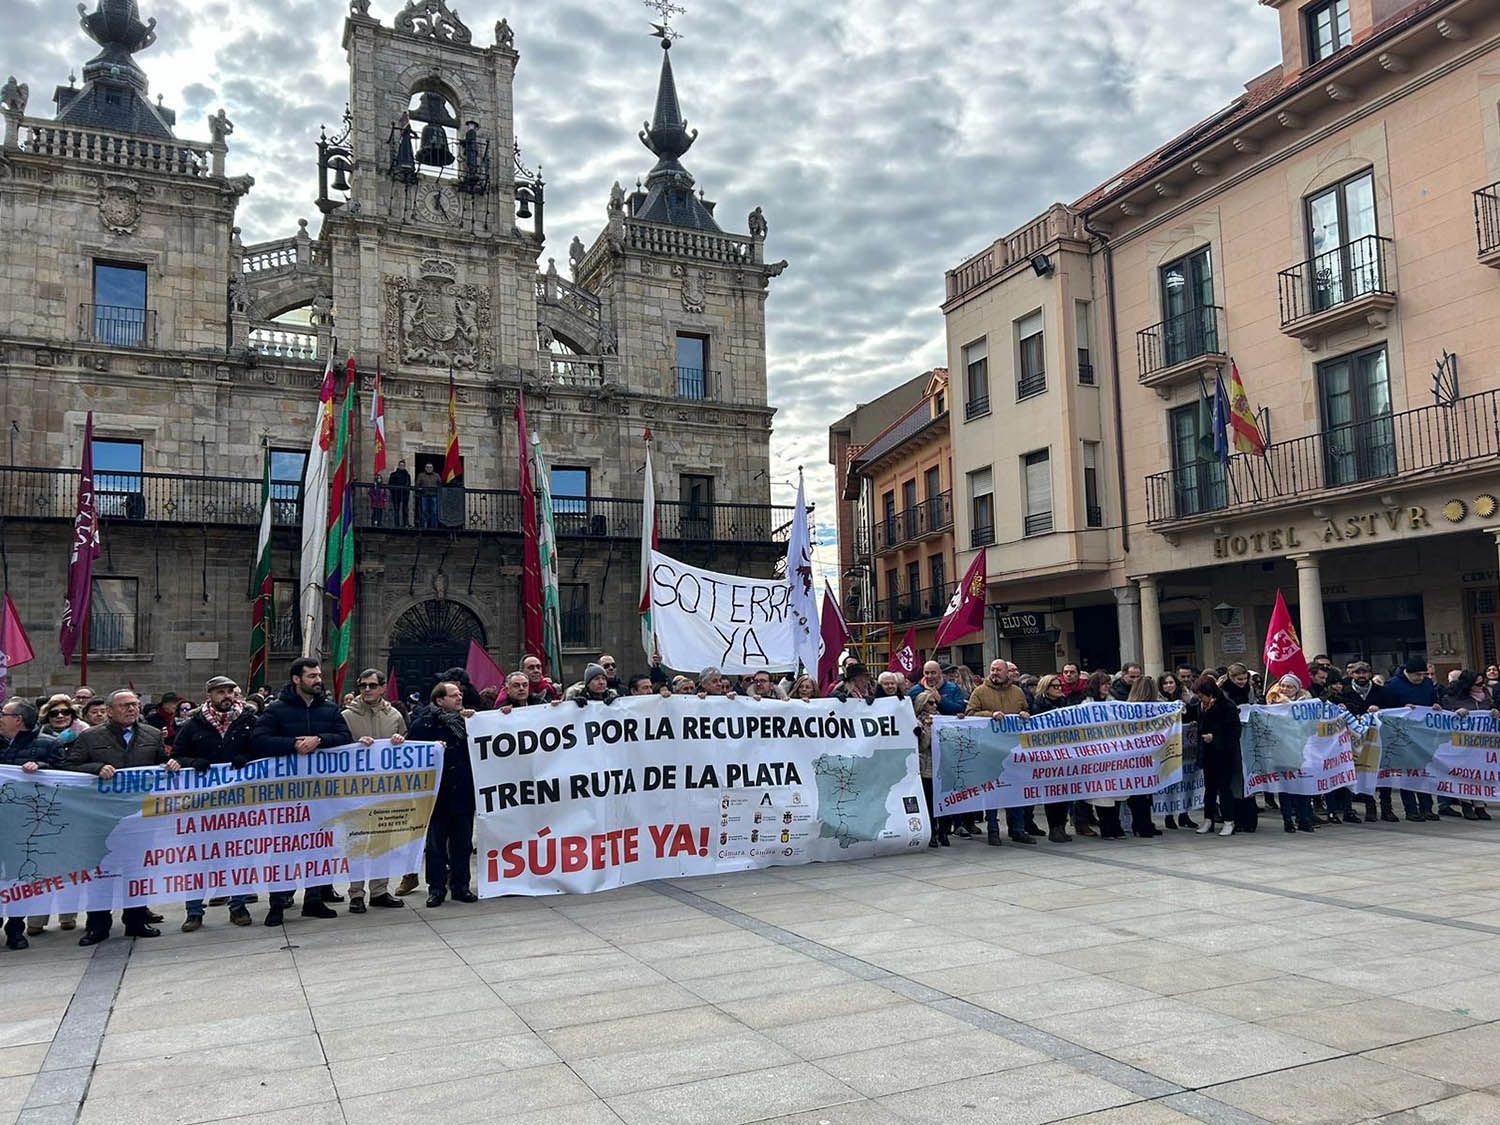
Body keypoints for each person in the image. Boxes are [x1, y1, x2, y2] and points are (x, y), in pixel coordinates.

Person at [64, 690, 180, 944]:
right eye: (125, 705)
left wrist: (170, 764)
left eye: (135, 705)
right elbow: (69, 766)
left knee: (137, 870)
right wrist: (95, 768)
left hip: (140, 817)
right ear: (110, 710)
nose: (132, 709)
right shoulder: (90, 737)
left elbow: (160, 763)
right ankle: (98, 925)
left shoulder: (150, 734)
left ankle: (136, 920)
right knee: (102, 872)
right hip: (102, 819)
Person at [250, 659, 354, 925]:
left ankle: (314, 900)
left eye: (319, 675)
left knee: (319, 849)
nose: (317, 680)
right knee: (284, 851)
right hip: (288, 797)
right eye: (311, 676)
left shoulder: (330, 710)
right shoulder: (276, 710)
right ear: (297, 679)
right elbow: (259, 741)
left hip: (322, 797)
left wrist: (319, 740)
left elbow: (344, 738)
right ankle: (277, 904)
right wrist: (292, 744)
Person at [170, 675, 258, 930]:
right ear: (209, 695)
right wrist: (192, 763)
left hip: (237, 804)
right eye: (221, 692)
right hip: (201, 806)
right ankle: (194, 911)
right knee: (198, 859)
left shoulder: (248, 721)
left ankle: (238, 906)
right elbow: (177, 756)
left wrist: (247, 756)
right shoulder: (193, 725)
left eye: (230, 691)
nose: (227, 697)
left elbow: (261, 749)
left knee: (239, 856)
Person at [342, 669, 415, 905]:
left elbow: (407, 746)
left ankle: (379, 891)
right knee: (357, 843)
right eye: (363, 685)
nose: (367, 689)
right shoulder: (347, 716)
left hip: (385, 791)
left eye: (373, 685)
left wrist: (400, 742)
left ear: (383, 688)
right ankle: (356, 894)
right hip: (356, 791)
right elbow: (338, 749)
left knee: (382, 842)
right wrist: (354, 745)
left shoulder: (394, 716)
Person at [1, 700, 65, 948]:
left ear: (18, 719)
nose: (0, 718)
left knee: (21, 876)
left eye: (3, 714)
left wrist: (42, 768)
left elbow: (66, 774)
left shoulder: (47, 744)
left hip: (26, 827)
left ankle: (16, 928)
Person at [408, 682, 477, 907]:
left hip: (463, 794)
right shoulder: (423, 724)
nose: (459, 698)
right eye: (454, 695)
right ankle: (436, 888)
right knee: (436, 846)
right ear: (440, 700)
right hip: (437, 797)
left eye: (460, 695)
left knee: (462, 843)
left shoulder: (469, 722)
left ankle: (461, 886)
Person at [965, 660, 1032, 846]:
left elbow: (1025, 709)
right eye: (992, 669)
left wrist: (1026, 713)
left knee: (1016, 791)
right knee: (992, 793)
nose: (995, 672)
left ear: (1007, 673)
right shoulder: (979, 692)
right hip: (989, 751)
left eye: (998, 670)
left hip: (1013, 750)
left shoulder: (1017, 692)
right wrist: (991, 715)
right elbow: (970, 713)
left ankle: (1017, 829)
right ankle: (993, 831)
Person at [1381, 660, 1439, 823]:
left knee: (1424, 771)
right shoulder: (1393, 685)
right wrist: (1402, 708)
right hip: (1402, 735)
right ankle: (1411, 809)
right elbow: (1387, 709)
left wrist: (1436, 706)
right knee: (1408, 773)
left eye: (1423, 674)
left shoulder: (1427, 683)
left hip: (1423, 734)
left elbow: (1434, 700)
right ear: (1407, 672)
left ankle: (1427, 808)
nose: (1421, 678)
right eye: (1417, 675)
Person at [1438, 670, 1499, 821]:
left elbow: (1492, 712)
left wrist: (1495, 712)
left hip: (1483, 744)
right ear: (1468, 685)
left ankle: (1479, 805)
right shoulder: (1453, 698)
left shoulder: (1487, 697)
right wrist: (1455, 713)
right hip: (1462, 744)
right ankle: (1466, 804)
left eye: (1483, 682)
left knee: (1480, 773)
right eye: (1478, 683)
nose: (1482, 686)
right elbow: (1444, 718)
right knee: (1465, 773)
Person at [1265, 673, 1317, 833]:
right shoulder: (1272, 703)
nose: (1285, 689)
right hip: (1281, 750)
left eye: (1290, 686)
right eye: (1283, 685)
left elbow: (1311, 726)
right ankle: (1288, 820)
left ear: (1297, 689)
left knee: (1303, 785)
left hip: (1302, 749)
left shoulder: (1306, 704)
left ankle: (1304, 819)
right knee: (1285, 787)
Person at [1192, 676, 1244, 837]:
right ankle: (1208, 819)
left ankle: (1229, 820)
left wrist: (1214, 737)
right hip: (1207, 753)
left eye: (1202, 695)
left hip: (1224, 754)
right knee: (1209, 789)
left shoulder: (1227, 706)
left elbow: (1234, 732)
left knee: (1224, 788)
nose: (1200, 699)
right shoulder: (1201, 706)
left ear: (1210, 693)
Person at [1029, 674, 1073, 843]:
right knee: (1052, 793)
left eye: (1060, 686)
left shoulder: (1064, 702)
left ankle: (1062, 826)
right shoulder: (1038, 705)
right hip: (1048, 755)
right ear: (1046, 688)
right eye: (1055, 686)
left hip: (1064, 753)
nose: (1059, 689)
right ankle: (1054, 828)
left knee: (1065, 792)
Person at [1123, 676, 1164, 838]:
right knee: (1143, 791)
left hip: (1135, 755)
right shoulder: (1152, 708)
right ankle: (1143, 824)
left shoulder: (1127, 708)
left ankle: (1142, 823)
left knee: (1140, 790)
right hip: (1145, 754)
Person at [416, 460, 441, 528]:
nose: (429, 468)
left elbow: (440, 485)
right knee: (424, 512)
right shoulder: (421, 475)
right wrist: (420, 491)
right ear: (425, 468)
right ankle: (425, 527)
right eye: (427, 467)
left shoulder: (437, 475)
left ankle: (434, 527)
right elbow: (417, 485)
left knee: (434, 512)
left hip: (434, 495)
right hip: (424, 495)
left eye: (430, 467)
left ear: (432, 468)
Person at [388, 459, 412, 527]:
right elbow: (390, 484)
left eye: (403, 465)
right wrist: (394, 490)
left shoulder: (407, 475)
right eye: (401, 465)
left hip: (404, 495)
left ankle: (405, 524)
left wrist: (406, 491)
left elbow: (408, 485)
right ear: (398, 466)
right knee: (396, 509)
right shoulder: (393, 475)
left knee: (405, 510)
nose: (402, 466)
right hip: (396, 494)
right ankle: (397, 524)